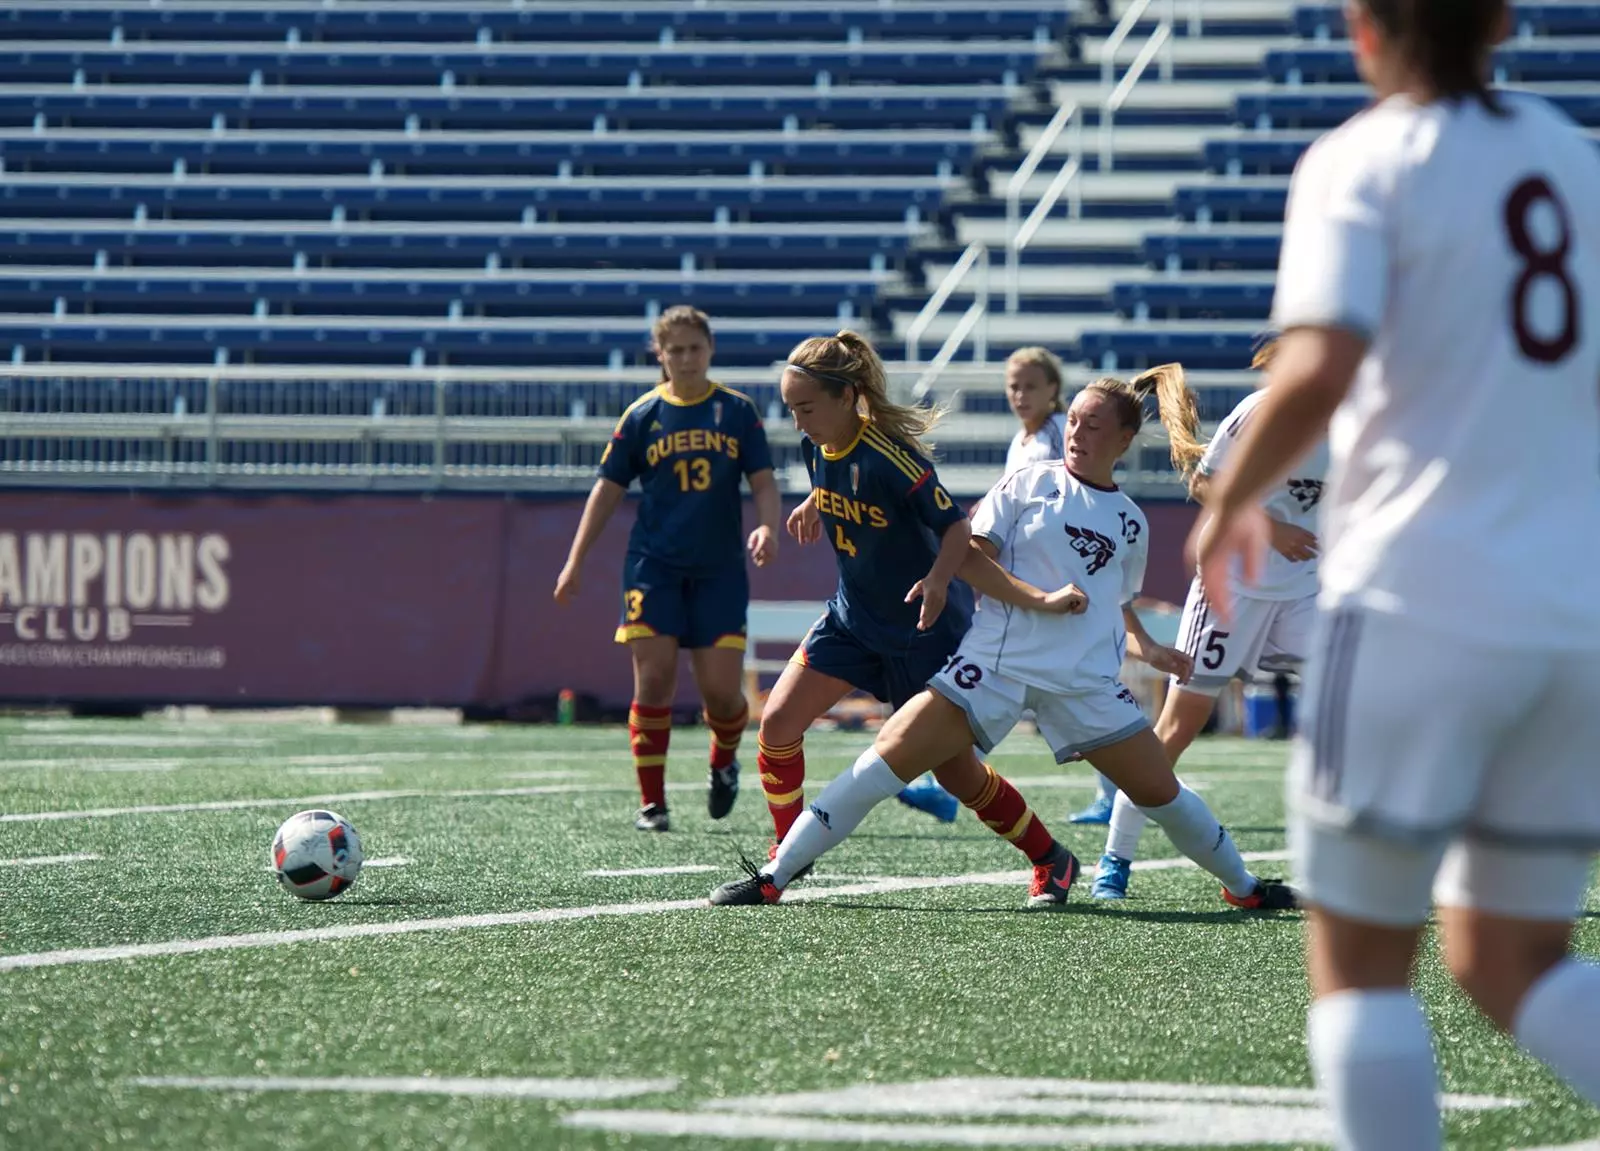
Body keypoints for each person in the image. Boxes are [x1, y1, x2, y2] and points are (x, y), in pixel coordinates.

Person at [1190, 2, 1600, 1146]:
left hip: (1418, 595)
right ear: (1506, 22)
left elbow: (1317, 366)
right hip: (1571, 613)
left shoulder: (1360, 157)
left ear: (1361, 29)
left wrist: (1225, 499)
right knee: (1509, 958)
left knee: (1363, 966)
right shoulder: (1573, 156)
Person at [713, 364, 1297, 912]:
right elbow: (968, 556)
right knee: (885, 756)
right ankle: (774, 878)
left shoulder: (1131, 522)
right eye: (1073, 420)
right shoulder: (1026, 482)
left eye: (1094, 425)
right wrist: (1036, 599)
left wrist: (1149, 648)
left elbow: (1116, 607)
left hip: (1083, 683)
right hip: (995, 667)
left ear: (1123, 441)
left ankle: (1245, 888)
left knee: (1161, 792)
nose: (1077, 432)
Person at [740, 330, 1088, 900]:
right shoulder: (816, 446)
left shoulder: (891, 458)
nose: (798, 422)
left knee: (958, 775)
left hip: (921, 632)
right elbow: (836, 478)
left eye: (805, 408)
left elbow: (955, 528)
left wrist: (937, 579)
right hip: (851, 620)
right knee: (777, 723)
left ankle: (1051, 857)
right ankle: (791, 852)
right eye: (790, 409)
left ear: (846, 396)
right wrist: (813, 502)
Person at [1093, 342, 1326, 899]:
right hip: (1234, 589)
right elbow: (1203, 484)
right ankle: (1114, 859)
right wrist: (1273, 531)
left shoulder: (1368, 419)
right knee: (1176, 732)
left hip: (1305, 592)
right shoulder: (1263, 412)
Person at [553, 306, 781, 832]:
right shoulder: (641, 416)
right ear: (659, 354)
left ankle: (723, 760)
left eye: (693, 348)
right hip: (653, 567)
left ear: (710, 350)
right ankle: (652, 803)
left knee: (723, 696)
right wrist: (575, 560)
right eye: (674, 350)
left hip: (719, 571)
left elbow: (764, 481)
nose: (684, 358)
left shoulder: (737, 411)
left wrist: (768, 527)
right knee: (653, 681)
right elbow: (607, 490)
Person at [1002, 346, 1122, 826]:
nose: (1021, 395)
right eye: (1014, 386)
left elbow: (1065, 501)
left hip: (1060, 578)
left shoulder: (1056, 437)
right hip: (1031, 582)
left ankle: (1121, 792)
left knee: (1080, 686)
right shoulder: (1023, 440)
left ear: (1054, 390)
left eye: (1031, 385)